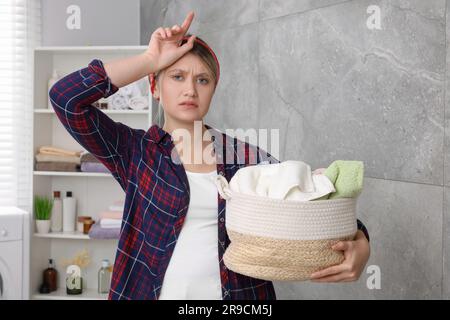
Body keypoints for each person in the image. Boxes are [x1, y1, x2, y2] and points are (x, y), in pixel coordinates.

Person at [49, 11, 370, 300]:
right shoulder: (135, 152)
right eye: (177, 77)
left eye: (202, 80)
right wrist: (150, 59)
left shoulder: (247, 158)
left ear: (213, 90)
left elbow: (311, 207)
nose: (190, 89)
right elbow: (66, 98)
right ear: (155, 87)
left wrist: (361, 242)